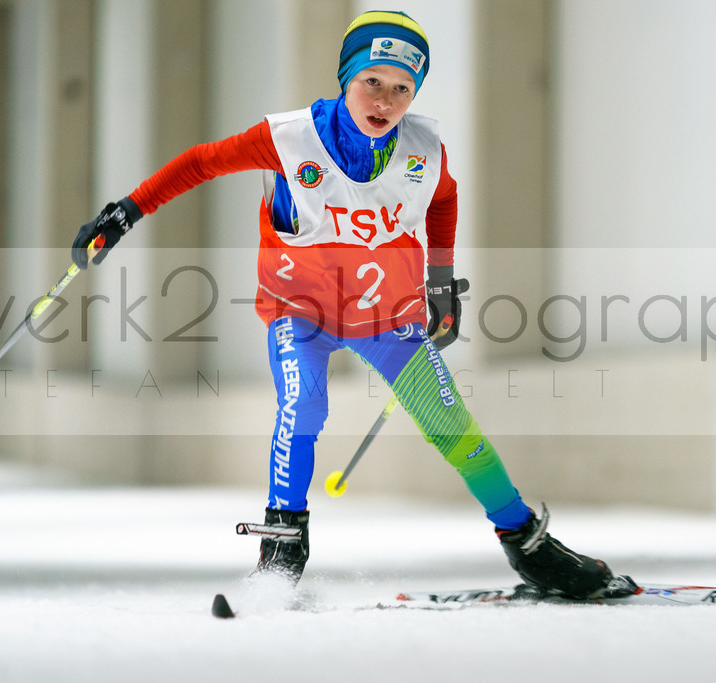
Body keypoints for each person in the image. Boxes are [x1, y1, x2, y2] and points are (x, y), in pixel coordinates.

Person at [72, 10, 635, 600]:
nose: (386, 99)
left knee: (452, 428)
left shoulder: (422, 147)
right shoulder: (289, 139)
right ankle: (281, 549)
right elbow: (200, 162)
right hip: (301, 316)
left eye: (402, 88)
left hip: (388, 320)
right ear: (346, 79)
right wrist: (125, 213)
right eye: (373, 81)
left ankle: (529, 546)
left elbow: (444, 198)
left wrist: (440, 282)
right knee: (305, 403)